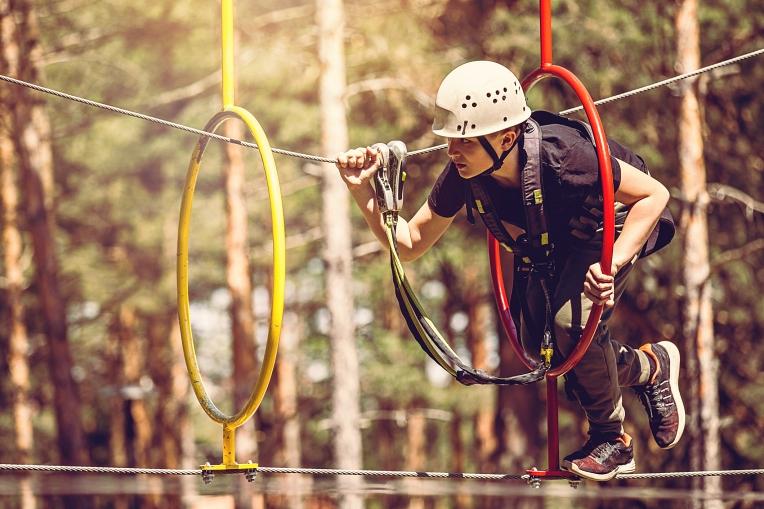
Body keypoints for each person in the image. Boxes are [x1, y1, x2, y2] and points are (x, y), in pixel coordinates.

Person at [335, 60, 684, 481]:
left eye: (463, 141)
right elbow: (409, 245)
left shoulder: (566, 157)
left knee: (570, 326)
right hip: (558, 238)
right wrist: (362, 193)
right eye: (450, 141)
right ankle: (651, 368)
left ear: (506, 137)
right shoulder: (464, 174)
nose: (452, 151)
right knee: (543, 346)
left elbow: (653, 194)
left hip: (616, 219)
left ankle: (613, 440)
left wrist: (612, 263)